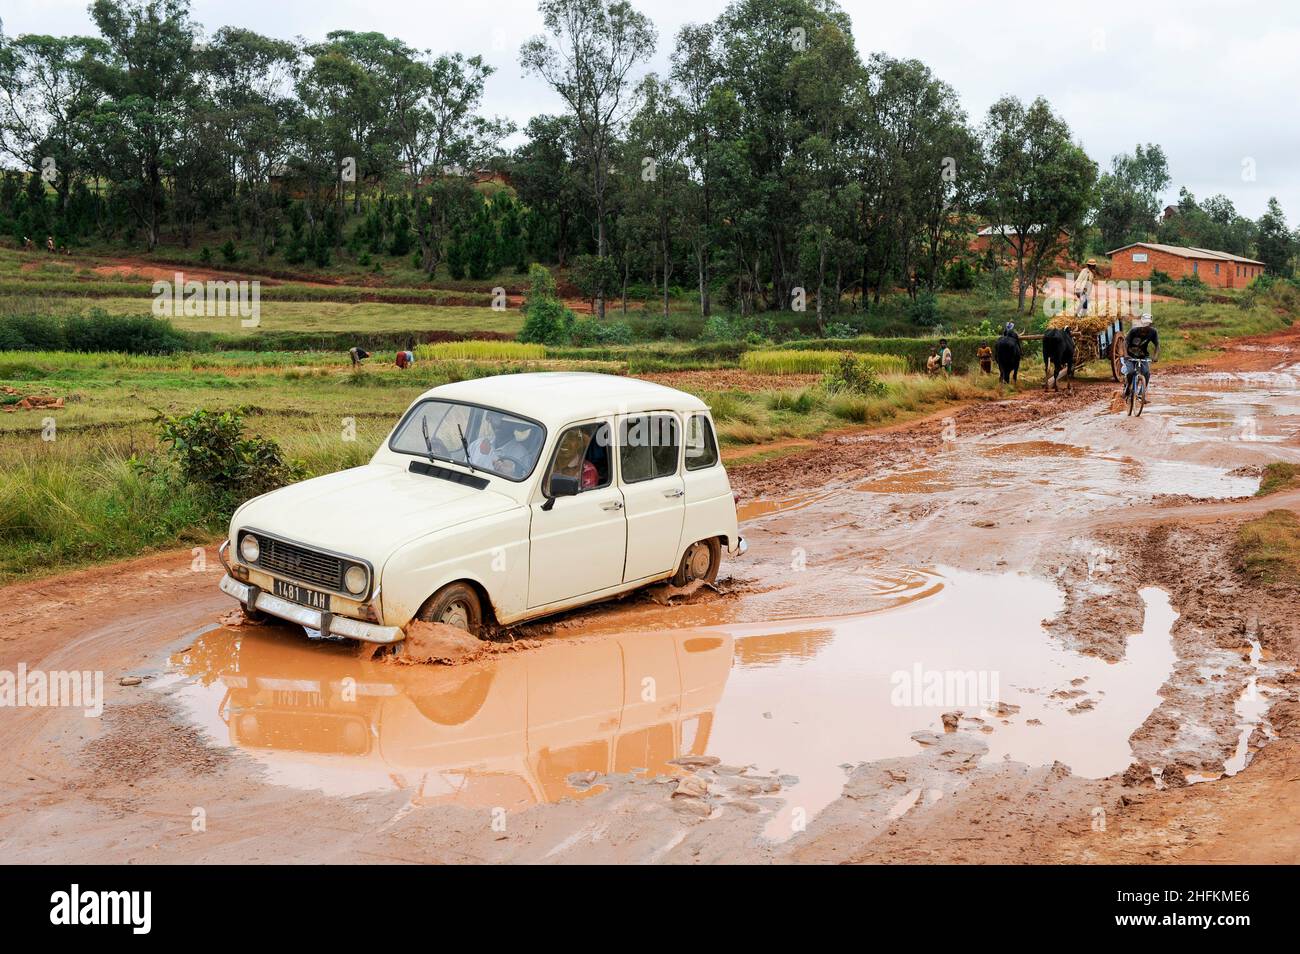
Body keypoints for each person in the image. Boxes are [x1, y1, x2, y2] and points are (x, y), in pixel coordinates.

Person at [1122, 313, 1159, 398]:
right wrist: (1126, 354)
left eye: (1148, 324)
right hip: (1130, 355)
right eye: (1144, 323)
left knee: (1146, 373)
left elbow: (1157, 345)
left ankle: (1141, 394)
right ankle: (1127, 388)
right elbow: (1125, 343)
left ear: (1150, 324)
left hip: (1143, 356)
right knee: (1131, 372)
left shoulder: (1153, 332)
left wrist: (1155, 356)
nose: (1146, 326)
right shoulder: (1134, 330)